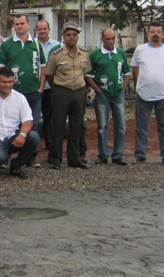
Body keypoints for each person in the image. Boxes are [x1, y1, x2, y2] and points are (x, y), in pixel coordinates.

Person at [0, 14, 46, 167]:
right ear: (13, 26)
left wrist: (41, 88)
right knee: (10, 127)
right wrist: (2, 89)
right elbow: (0, 67)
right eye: (17, 24)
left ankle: (29, 157)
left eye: (22, 23)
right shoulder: (7, 45)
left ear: (28, 25)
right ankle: (4, 158)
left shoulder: (36, 44)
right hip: (13, 94)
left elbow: (43, 67)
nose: (19, 26)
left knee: (33, 126)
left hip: (33, 92)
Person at [44, 22, 91, 170]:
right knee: (58, 125)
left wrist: (83, 90)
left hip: (78, 93)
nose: (72, 37)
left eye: (74, 35)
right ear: (63, 37)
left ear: (77, 37)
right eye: (68, 35)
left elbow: (86, 73)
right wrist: (57, 89)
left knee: (76, 125)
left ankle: (74, 158)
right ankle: (55, 159)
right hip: (61, 92)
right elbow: (49, 75)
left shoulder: (83, 54)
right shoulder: (56, 54)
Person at [130, 22, 164, 166]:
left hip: (163, 95)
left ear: (163, 34)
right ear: (148, 34)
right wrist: (138, 86)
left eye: (158, 31)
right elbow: (135, 68)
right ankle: (140, 155)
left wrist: (161, 82)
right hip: (144, 94)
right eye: (153, 31)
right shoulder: (140, 49)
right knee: (142, 126)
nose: (155, 34)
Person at [86, 28, 130, 166]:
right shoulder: (95, 55)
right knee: (102, 126)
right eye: (108, 39)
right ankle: (103, 155)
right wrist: (98, 90)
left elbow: (127, 73)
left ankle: (118, 155)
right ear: (102, 39)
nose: (111, 41)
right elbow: (88, 75)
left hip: (118, 95)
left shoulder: (120, 53)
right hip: (103, 95)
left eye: (113, 38)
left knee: (120, 126)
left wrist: (122, 88)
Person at [35, 20, 60, 149]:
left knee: (49, 116)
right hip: (34, 87)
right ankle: (33, 144)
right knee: (33, 116)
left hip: (50, 87)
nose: (42, 31)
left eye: (45, 29)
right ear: (36, 31)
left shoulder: (57, 46)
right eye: (40, 29)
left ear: (49, 30)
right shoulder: (32, 44)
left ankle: (49, 143)